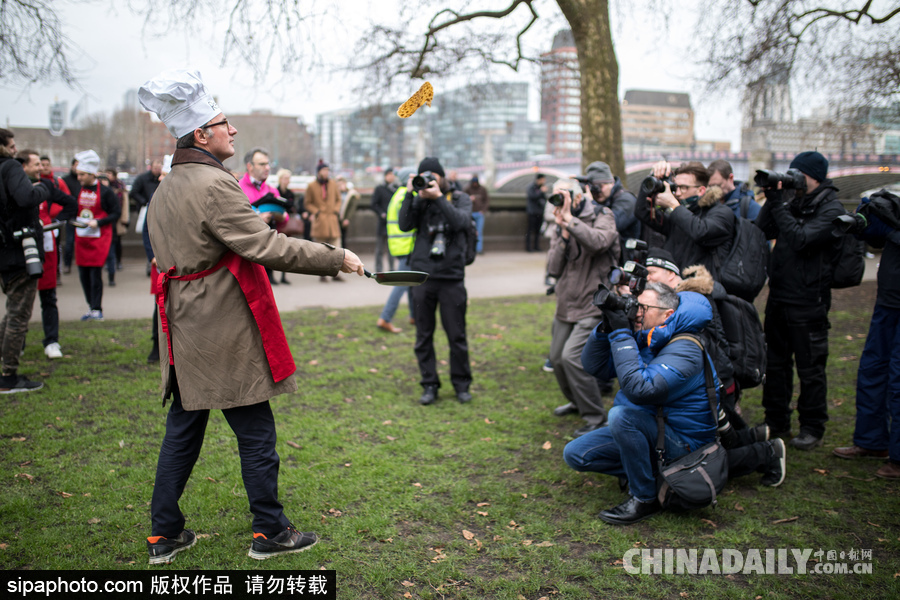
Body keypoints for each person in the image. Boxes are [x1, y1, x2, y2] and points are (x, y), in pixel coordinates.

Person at [139, 69, 365, 564]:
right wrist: (336, 257)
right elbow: (266, 246)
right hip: (220, 328)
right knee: (256, 432)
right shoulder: (216, 186)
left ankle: (164, 534)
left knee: (182, 431)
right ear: (201, 135)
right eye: (224, 123)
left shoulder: (166, 188)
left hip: (183, 327)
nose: (233, 131)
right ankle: (270, 531)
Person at [564, 284, 718, 524]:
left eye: (643, 308)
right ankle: (653, 474)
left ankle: (645, 498)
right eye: (636, 305)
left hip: (686, 443)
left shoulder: (685, 347)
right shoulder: (649, 335)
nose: (636, 312)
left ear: (667, 314)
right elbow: (596, 367)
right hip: (653, 429)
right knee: (576, 454)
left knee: (621, 417)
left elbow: (640, 390)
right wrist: (606, 329)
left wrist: (621, 335)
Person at [754, 151, 844, 451]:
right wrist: (772, 196)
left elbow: (801, 238)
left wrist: (780, 204)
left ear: (813, 176)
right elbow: (763, 229)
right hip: (780, 295)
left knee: (810, 367)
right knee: (776, 364)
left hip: (809, 300)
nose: (792, 179)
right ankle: (776, 420)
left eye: (797, 174)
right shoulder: (791, 201)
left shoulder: (831, 209)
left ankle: (812, 426)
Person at [833, 190, 900, 478]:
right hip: (887, 303)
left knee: (898, 380)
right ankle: (872, 442)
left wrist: (893, 228)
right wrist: (869, 218)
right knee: (872, 369)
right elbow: (871, 238)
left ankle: (897, 457)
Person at [546, 179, 618, 436]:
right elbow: (553, 268)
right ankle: (577, 402)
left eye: (563, 196)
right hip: (567, 301)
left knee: (572, 358)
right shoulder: (561, 223)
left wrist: (572, 222)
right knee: (556, 358)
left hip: (592, 301)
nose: (559, 202)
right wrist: (563, 233)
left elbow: (599, 242)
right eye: (555, 197)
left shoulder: (602, 214)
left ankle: (596, 418)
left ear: (577, 197)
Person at [398, 157, 473, 405]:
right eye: (424, 176)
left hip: (451, 278)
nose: (429, 180)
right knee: (423, 335)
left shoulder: (459, 197)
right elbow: (404, 224)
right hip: (423, 277)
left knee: (457, 335)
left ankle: (461, 384)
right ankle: (429, 384)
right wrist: (411, 195)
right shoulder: (418, 199)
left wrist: (438, 197)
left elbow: (461, 222)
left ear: (442, 177)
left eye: (433, 176)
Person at [0, 131, 51, 392]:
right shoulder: (9, 167)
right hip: (20, 252)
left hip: (5, 252)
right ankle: (8, 375)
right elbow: (26, 198)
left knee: (11, 313)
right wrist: (43, 187)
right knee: (18, 316)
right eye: (11, 146)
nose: (14, 150)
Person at [634, 161, 735, 276]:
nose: (677, 193)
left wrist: (673, 205)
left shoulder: (722, 212)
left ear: (701, 190)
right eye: (675, 187)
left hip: (701, 287)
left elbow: (700, 231)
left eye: (683, 188)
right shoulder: (678, 214)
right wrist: (652, 177)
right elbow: (642, 212)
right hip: (673, 284)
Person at [30, 152, 77, 359]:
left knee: (48, 296)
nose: (41, 167)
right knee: (21, 300)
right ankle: (17, 342)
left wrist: (57, 223)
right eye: (36, 164)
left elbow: (70, 203)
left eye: (42, 164)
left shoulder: (47, 187)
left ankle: (51, 341)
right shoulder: (12, 187)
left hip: (46, 247)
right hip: (23, 249)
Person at [72, 150, 120, 321]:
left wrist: (98, 222)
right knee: (83, 274)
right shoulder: (78, 190)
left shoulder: (106, 192)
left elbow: (116, 213)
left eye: (82, 174)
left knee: (95, 274)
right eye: (78, 174)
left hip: (99, 238)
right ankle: (90, 306)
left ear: (92, 173)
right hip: (82, 238)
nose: (79, 178)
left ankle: (97, 309)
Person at [238, 148, 286, 285]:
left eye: (268, 164)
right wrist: (257, 217)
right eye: (262, 164)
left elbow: (285, 220)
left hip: (270, 251)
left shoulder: (272, 190)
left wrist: (281, 216)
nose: (267, 168)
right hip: (248, 254)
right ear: (249, 166)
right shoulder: (237, 188)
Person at [377, 168, 416, 333]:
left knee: (412, 282)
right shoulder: (406, 196)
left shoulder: (397, 194)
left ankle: (415, 315)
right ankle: (385, 318)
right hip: (407, 245)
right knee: (402, 283)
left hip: (399, 244)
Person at [578, 161, 640, 261]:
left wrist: (591, 204)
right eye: (594, 187)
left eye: (600, 186)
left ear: (611, 182)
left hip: (626, 260)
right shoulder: (602, 200)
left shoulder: (627, 200)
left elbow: (611, 224)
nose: (597, 191)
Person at [305, 160, 344, 282]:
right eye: (324, 170)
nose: (326, 173)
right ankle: (322, 273)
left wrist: (336, 210)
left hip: (332, 220)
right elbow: (307, 203)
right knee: (320, 249)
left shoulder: (333, 184)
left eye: (327, 170)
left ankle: (335, 273)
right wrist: (316, 212)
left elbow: (338, 199)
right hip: (320, 221)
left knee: (336, 248)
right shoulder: (311, 186)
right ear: (318, 172)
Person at [103, 168, 129, 286]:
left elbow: (124, 205)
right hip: (106, 223)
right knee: (109, 247)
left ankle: (115, 266)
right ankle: (110, 268)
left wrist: (124, 219)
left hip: (115, 221)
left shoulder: (119, 188)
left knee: (115, 244)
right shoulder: (107, 191)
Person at [371, 168, 397, 273]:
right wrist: (381, 213)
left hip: (393, 223)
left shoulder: (396, 188)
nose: (391, 177)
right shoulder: (379, 188)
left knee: (392, 248)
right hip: (383, 223)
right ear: (385, 176)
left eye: (392, 175)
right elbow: (373, 204)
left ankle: (392, 268)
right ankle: (379, 269)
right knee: (379, 248)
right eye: (389, 175)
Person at [274, 168, 297, 284]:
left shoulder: (290, 193)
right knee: (275, 249)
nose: (287, 181)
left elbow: (291, 206)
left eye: (288, 178)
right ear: (280, 179)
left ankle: (283, 276)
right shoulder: (275, 191)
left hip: (286, 224)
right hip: (277, 223)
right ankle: (271, 276)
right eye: (285, 178)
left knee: (286, 249)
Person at [61, 158, 81, 275]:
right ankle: (67, 264)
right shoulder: (65, 180)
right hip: (71, 216)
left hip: (83, 216)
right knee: (69, 242)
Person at [463, 175, 489, 255]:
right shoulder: (467, 189)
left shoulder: (482, 189)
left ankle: (479, 249)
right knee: (468, 231)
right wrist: (469, 198)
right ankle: (469, 248)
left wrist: (483, 210)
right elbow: (462, 199)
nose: (474, 184)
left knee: (479, 232)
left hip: (479, 213)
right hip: (470, 213)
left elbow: (487, 200)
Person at [525, 173, 547, 252]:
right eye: (543, 179)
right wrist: (541, 191)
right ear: (539, 179)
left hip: (539, 212)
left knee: (538, 231)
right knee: (530, 230)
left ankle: (536, 246)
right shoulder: (531, 187)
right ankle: (528, 247)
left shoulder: (541, 187)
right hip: (532, 212)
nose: (544, 181)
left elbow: (543, 198)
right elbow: (532, 197)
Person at [337, 176, 360, 250]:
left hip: (344, 217)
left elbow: (352, 207)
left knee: (343, 237)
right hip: (335, 218)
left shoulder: (350, 194)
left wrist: (347, 218)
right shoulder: (336, 193)